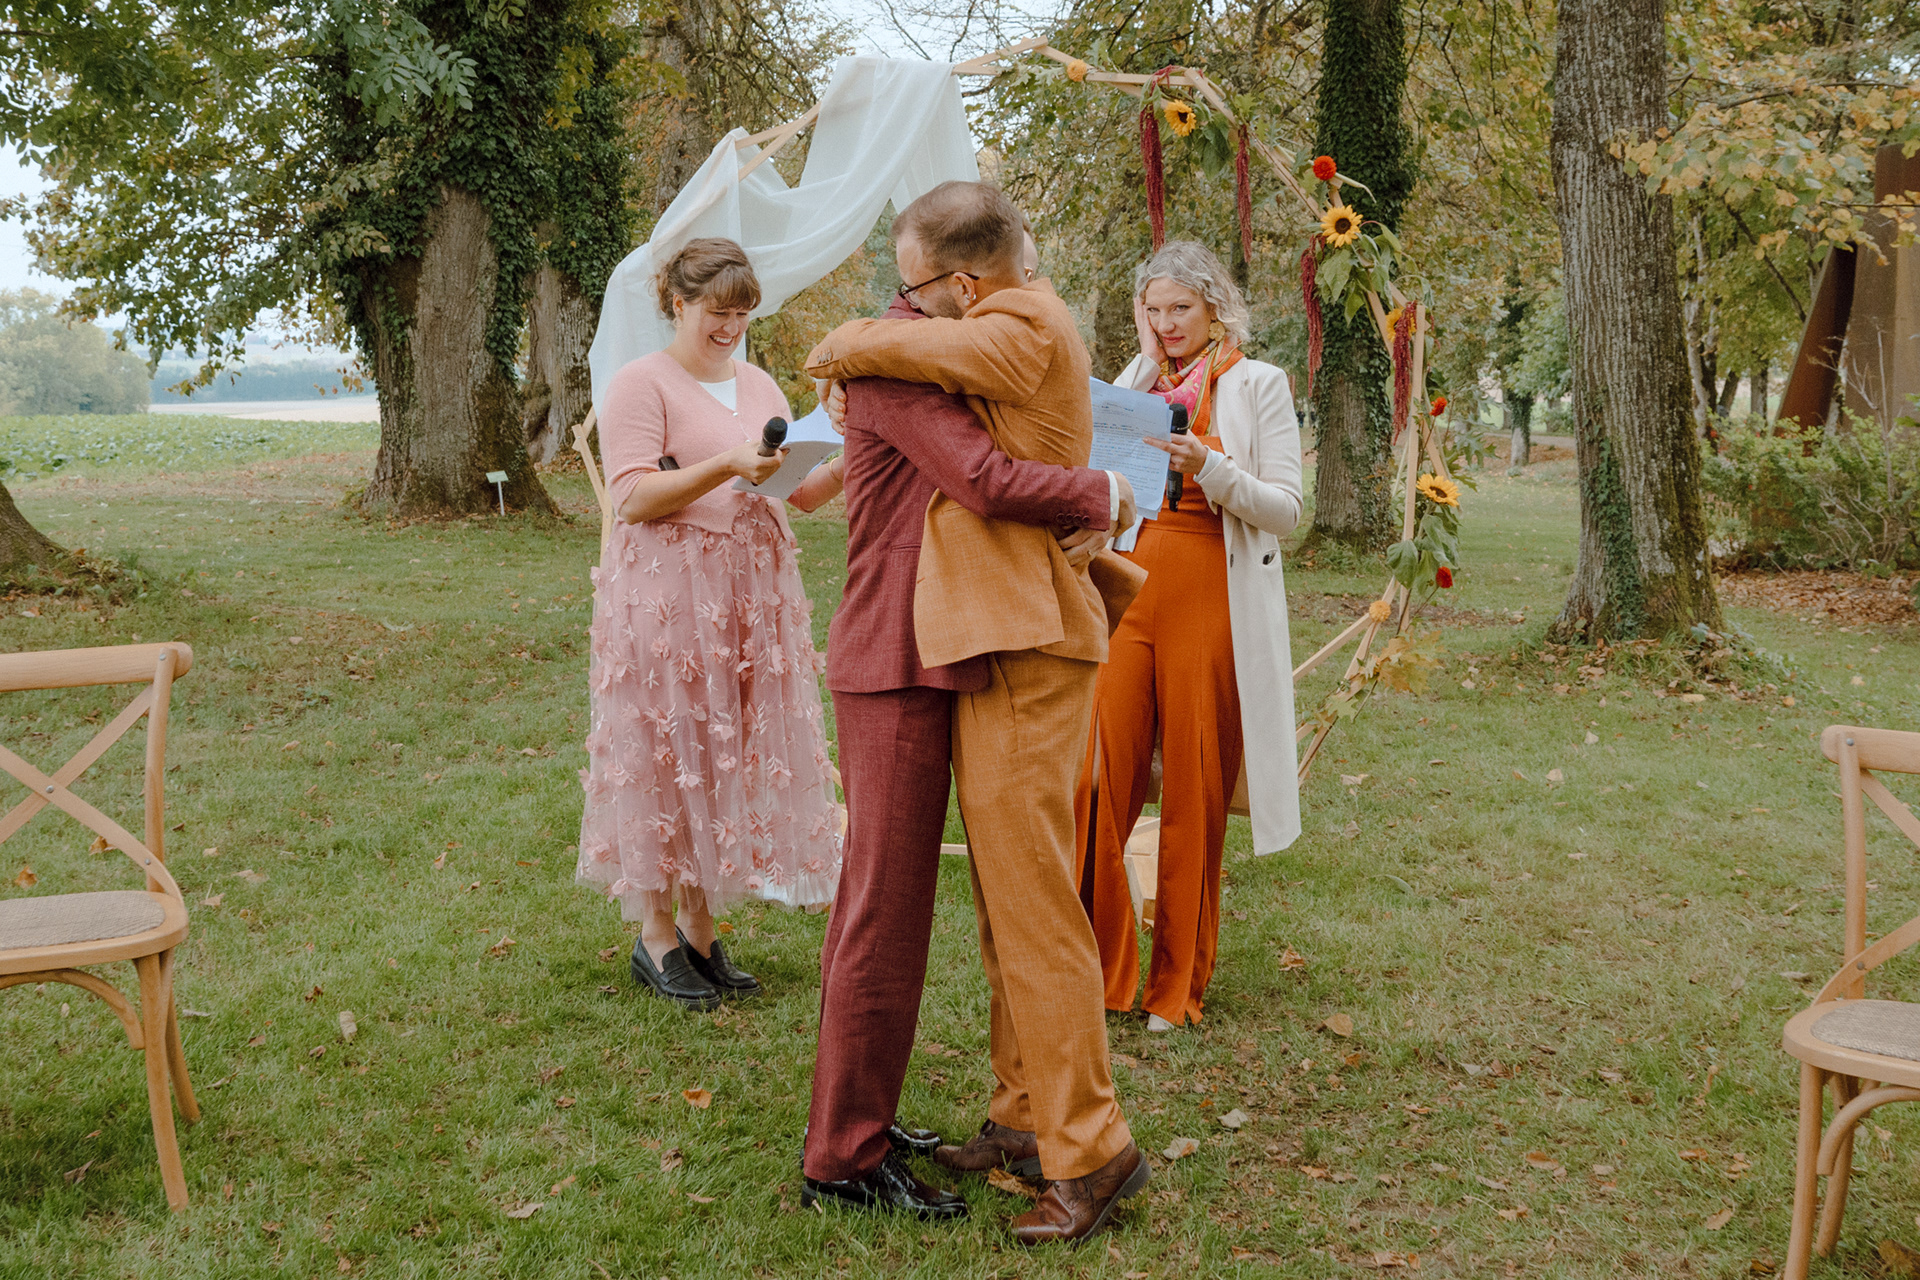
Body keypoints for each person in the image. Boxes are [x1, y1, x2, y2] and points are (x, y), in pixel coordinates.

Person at [806, 181, 1150, 1245]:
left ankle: (1086, 1145)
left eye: (911, 285)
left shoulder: (1013, 321)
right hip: (950, 638)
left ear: (959, 281)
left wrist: (843, 344)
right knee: (988, 898)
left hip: (1016, 635)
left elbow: (989, 479)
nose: (902, 303)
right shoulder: (924, 351)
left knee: (1030, 898)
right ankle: (996, 1121)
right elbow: (969, 460)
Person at [576, 237, 844, 1011]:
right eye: (716, 313)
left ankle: (700, 928)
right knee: (670, 750)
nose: (730, 327)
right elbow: (631, 497)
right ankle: (655, 933)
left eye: (742, 314)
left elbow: (800, 494)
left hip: (750, 594)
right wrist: (728, 464)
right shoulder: (642, 383)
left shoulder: (759, 383)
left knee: (723, 749)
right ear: (678, 303)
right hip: (670, 592)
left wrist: (855, 447)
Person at [1074, 240, 1304, 1033]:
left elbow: (1286, 510)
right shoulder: (1135, 382)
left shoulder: (1258, 383)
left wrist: (1209, 465)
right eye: (1155, 310)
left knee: (1194, 785)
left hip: (1210, 584)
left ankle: (1176, 987)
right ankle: (1104, 972)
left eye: (1181, 308)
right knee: (1098, 775)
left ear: (1214, 307)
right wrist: (1141, 365)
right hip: (1130, 583)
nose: (1168, 323)